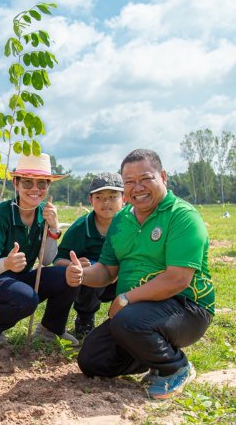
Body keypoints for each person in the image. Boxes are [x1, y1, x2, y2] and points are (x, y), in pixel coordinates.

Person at [69, 149, 215, 400]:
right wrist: (82, 275)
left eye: (145, 178)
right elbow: (107, 271)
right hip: (140, 311)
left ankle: (175, 366)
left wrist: (125, 299)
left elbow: (177, 279)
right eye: (129, 182)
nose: (138, 187)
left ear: (163, 177)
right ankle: (153, 356)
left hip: (187, 309)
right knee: (92, 359)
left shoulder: (182, 216)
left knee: (128, 319)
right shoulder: (121, 219)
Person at [0, 153, 78, 346]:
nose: (35, 189)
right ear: (15, 184)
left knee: (69, 275)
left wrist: (53, 228)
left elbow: (46, 260)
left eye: (42, 184)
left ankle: (50, 329)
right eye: (27, 183)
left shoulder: (44, 213)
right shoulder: (1, 213)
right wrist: (7, 263)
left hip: (18, 279)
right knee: (27, 298)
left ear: (48, 186)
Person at [54, 172, 123, 340]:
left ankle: (127, 321)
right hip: (93, 284)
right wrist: (73, 265)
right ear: (91, 200)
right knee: (92, 268)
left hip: (123, 280)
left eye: (113, 196)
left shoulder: (133, 224)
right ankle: (85, 319)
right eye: (99, 197)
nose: (106, 202)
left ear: (124, 198)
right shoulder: (80, 227)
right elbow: (57, 259)